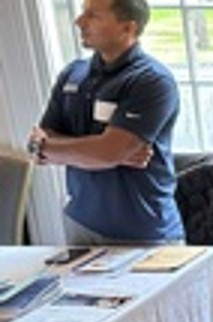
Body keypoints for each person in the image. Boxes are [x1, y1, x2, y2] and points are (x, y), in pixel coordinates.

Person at [28, 0, 183, 245]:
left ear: (128, 28)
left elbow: (108, 151)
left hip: (144, 232)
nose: (79, 22)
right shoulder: (73, 73)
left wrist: (51, 148)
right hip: (80, 226)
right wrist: (103, 150)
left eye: (93, 16)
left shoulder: (152, 80)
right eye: (82, 13)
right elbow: (40, 142)